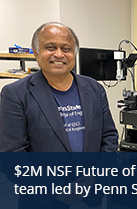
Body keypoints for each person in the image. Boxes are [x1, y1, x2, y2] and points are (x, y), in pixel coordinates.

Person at [0, 22, 119, 152]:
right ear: (36, 52)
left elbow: (109, 137)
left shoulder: (95, 89)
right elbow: (14, 153)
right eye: (50, 47)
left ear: (74, 53)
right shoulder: (16, 94)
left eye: (66, 49)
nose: (59, 54)